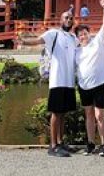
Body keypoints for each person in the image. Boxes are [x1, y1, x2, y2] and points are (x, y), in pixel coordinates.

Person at [37, 10, 78, 157]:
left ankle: (61, 142)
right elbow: (38, 41)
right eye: (66, 17)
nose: (69, 19)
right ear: (61, 20)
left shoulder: (73, 38)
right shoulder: (53, 33)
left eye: (71, 18)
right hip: (57, 80)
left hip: (69, 81)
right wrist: (23, 41)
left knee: (63, 113)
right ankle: (53, 146)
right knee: (56, 113)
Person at [75, 0, 104, 157]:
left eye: (84, 33)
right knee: (88, 114)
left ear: (89, 33)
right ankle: (90, 144)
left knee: (99, 115)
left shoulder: (98, 41)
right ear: (77, 38)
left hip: (100, 83)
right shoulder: (76, 50)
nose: (83, 36)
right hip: (84, 86)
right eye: (80, 35)